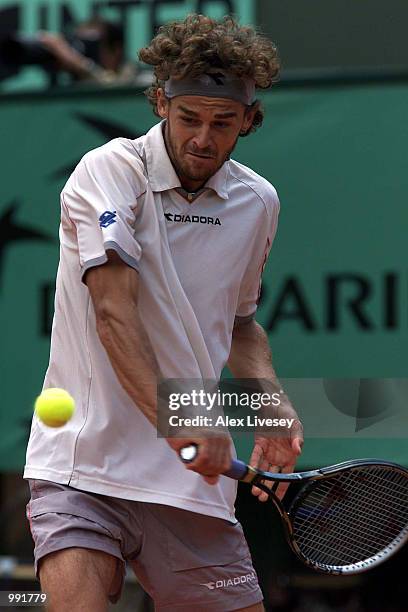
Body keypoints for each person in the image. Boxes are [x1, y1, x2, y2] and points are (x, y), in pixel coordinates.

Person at [24, 14, 303, 612]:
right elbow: (113, 314)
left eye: (222, 123)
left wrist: (270, 399)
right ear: (160, 103)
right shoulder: (109, 171)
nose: (203, 138)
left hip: (190, 486)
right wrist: (179, 421)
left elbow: (240, 322)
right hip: (83, 465)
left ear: (249, 122)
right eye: (189, 119)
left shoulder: (258, 202)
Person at [38, 17, 140, 85]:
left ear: (116, 51)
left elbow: (115, 87)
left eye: (91, 46)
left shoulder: (139, 79)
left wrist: (79, 64)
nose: (83, 53)